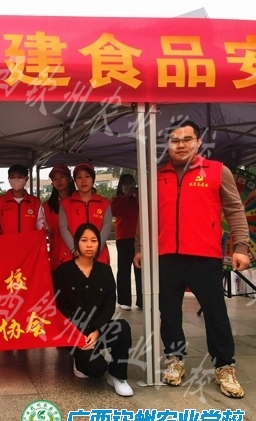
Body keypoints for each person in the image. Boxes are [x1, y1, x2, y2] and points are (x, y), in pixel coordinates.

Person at [133, 119, 250, 399]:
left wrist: (241, 246)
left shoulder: (217, 171)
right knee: (169, 312)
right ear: (168, 145)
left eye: (187, 139)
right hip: (166, 257)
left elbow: (235, 209)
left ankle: (224, 366)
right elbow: (145, 215)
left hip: (204, 256)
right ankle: (175, 359)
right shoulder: (156, 176)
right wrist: (140, 246)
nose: (181, 145)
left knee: (215, 312)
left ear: (198, 142)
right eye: (175, 140)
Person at [53, 223, 133, 397]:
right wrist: (79, 335)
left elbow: (109, 304)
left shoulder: (105, 271)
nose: (89, 245)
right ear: (76, 243)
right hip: (74, 334)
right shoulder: (63, 271)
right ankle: (81, 360)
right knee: (96, 370)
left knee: (122, 328)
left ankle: (117, 376)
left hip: (97, 330)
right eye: (84, 240)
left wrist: (97, 331)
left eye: (94, 241)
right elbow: (60, 307)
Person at [59, 162, 111, 264]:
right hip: (72, 257)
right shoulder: (65, 204)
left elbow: (106, 228)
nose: (83, 181)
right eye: (79, 177)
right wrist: (75, 249)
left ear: (93, 179)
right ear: (75, 181)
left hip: (99, 257)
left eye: (87, 176)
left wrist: (95, 249)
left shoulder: (104, 203)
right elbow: (63, 228)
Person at [111, 174, 142, 310]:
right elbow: (115, 212)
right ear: (121, 186)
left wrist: (137, 195)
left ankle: (142, 300)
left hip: (138, 237)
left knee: (140, 269)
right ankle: (124, 300)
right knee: (124, 269)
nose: (128, 186)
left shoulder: (138, 199)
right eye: (125, 184)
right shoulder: (117, 199)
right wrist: (125, 196)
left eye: (131, 183)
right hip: (123, 238)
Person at [0, 164, 45, 236]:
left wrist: (44, 229)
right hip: (6, 242)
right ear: (8, 179)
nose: (16, 180)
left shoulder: (35, 202)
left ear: (26, 178)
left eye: (19, 177)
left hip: (30, 242)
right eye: (12, 177)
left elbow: (40, 223)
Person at [43, 164, 76, 271]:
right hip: (56, 254)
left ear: (70, 179)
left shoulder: (78, 203)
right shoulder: (47, 207)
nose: (59, 181)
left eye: (62, 177)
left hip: (77, 254)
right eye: (55, 179)